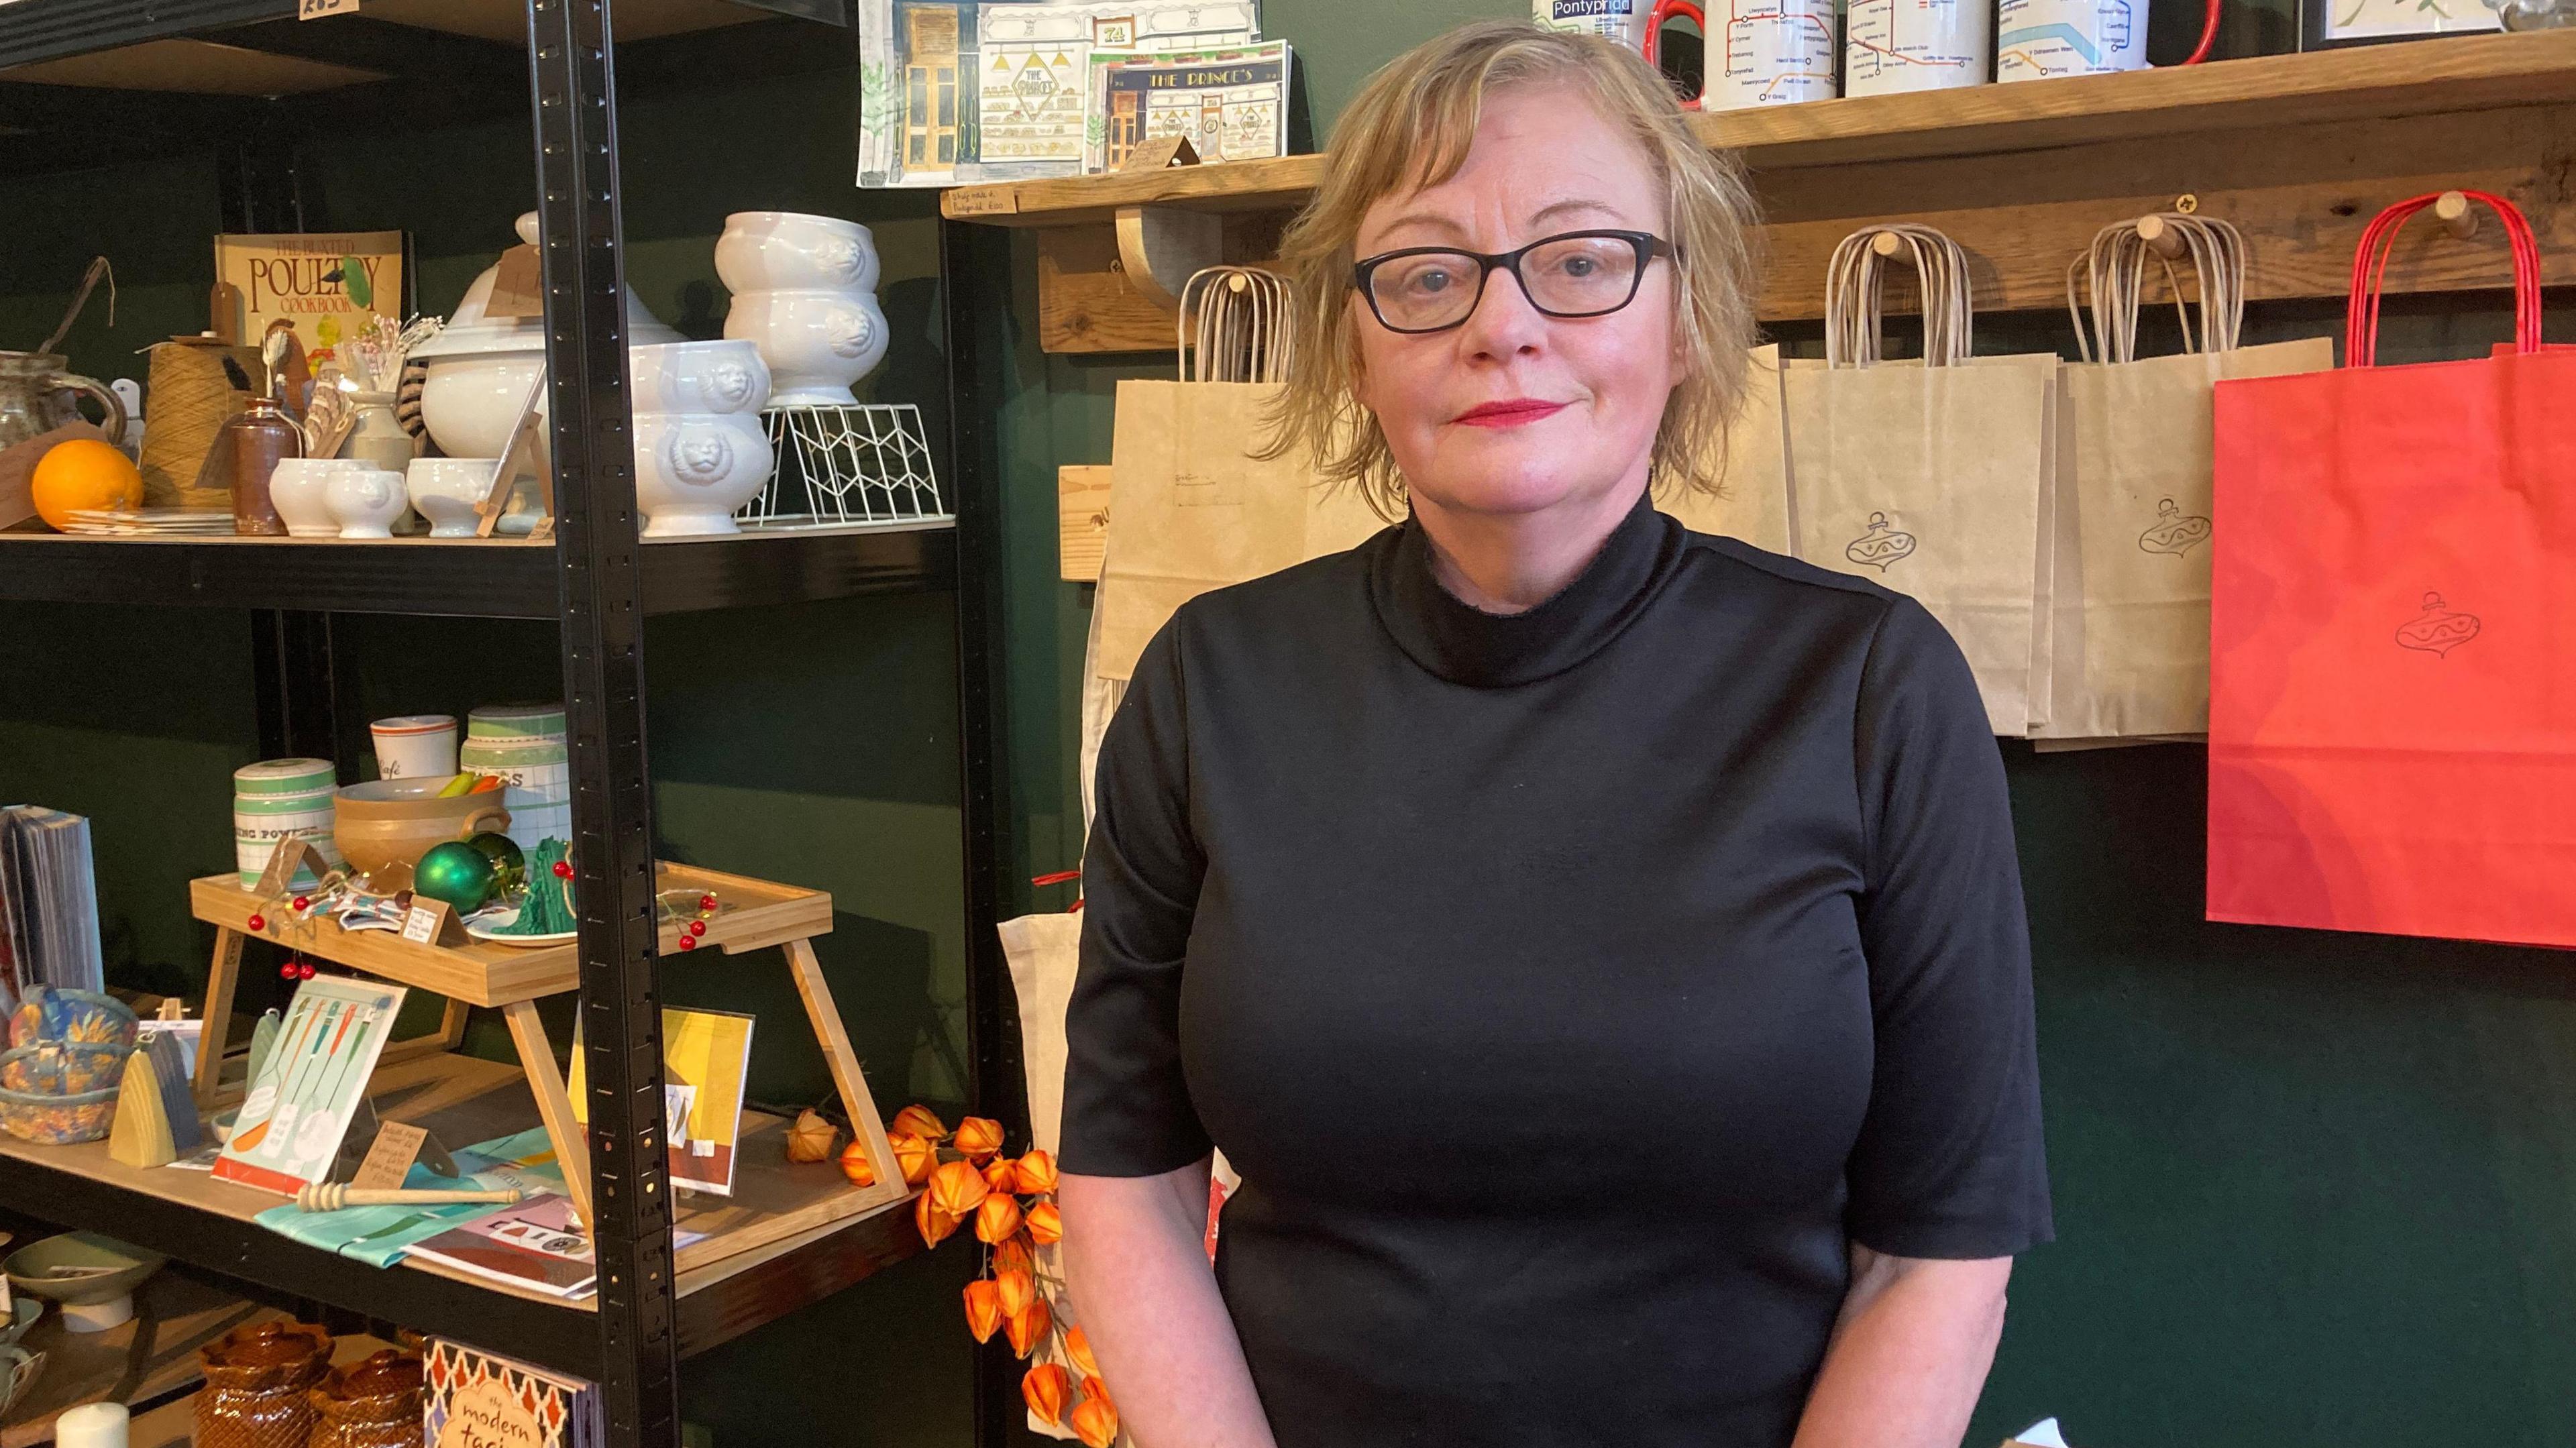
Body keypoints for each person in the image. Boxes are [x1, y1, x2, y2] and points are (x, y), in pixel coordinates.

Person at [1058, 21, 2051, 1448]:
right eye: (1425, 270)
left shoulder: (1868, 686)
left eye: (1581, 261)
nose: (1501, 324)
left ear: (1687, 312)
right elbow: (1125, 1180)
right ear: (1353, 339)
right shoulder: (1210, 682)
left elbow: (1941, 1253)